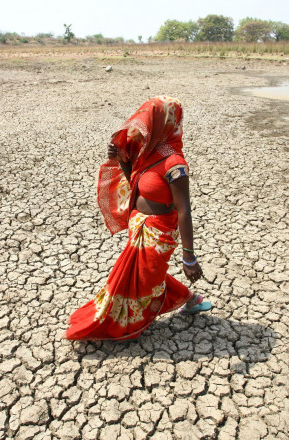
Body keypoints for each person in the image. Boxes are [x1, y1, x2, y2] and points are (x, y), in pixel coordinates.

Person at [65, 96, 211, 341]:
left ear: (165, 124)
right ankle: (191, 299)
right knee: (143, 273)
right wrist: (123, 160)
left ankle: (123, 323)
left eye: (151, 121)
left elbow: (184, 210)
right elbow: (134, 182)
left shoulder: (175, 163)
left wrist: (189, 257)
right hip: (139, 225)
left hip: (158, 231)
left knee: (143, 276)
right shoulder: (148, 152)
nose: (144, 126)